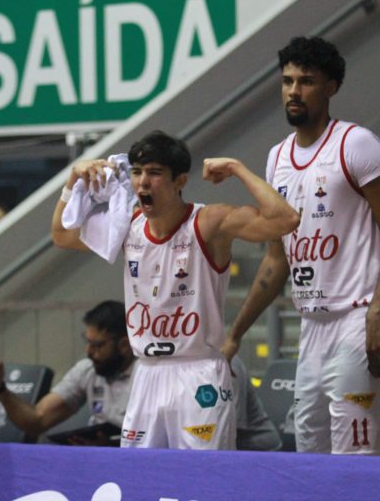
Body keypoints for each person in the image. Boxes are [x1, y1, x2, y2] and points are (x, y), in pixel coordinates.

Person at [224, 37, 380, 455]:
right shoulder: (277, 158)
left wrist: (376, 313)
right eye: (287, 81)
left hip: (359, 316)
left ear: (331, 87)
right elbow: (276, 259)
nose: (294, 90)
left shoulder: (356, 144)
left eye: (306, 81)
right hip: (312, 325)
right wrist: (234, 334)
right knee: (310, 454)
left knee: (356, 459)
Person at [52, 130, 300, 450]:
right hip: (146, 372)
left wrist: (237, 168)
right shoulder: (128, 224)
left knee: (202, 477)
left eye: (154, 173)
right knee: (138, 476)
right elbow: (61, 235)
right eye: (137, 172)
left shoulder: (209, 221)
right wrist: (73, 179)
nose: (143, 182)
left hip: (198, 373)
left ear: (180, 181)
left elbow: (286, 219)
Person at [0, 301, 134, 444]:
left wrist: (113, 446)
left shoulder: (145, 375)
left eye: (97, 345)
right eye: (87, 342)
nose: (88, 351)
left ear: (124, 345)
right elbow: (37, 420)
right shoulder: (88, 369)